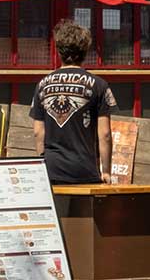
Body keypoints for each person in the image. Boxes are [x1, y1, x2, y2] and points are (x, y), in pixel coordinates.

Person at [29, 20, 114, 186]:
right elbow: (105, 135)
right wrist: (106, 171)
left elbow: (38, 133)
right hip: (83, 170)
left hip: (51, 170)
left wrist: (42, 165)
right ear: (85, 50)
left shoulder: (42, 85)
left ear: (59, 50)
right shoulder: (99, 85)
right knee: (84, 213)